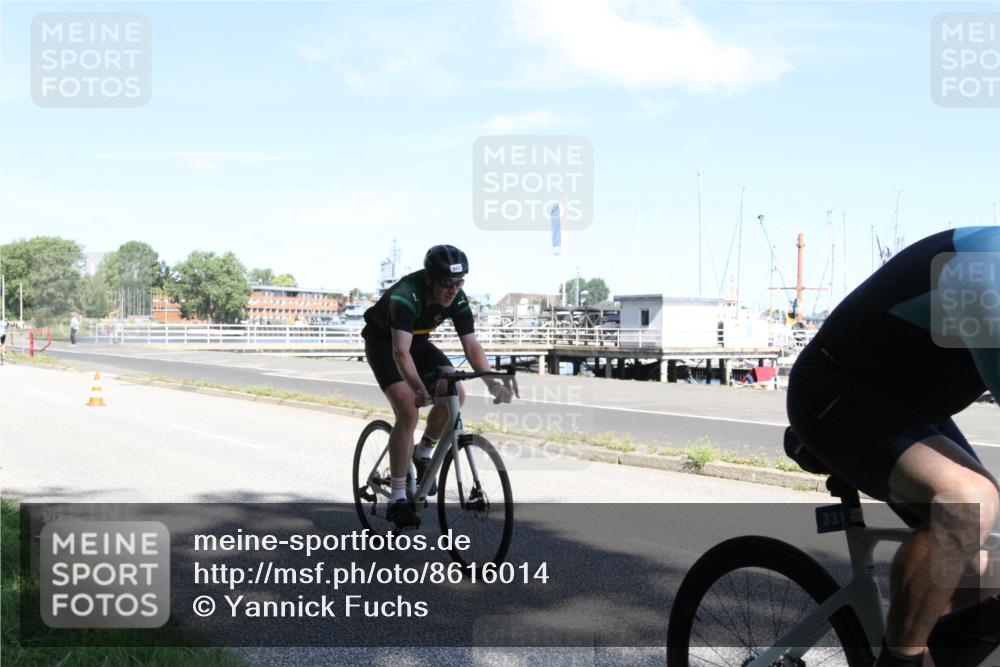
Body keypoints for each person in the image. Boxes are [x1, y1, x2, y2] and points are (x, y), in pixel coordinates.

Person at [787, 226, 1000, 665]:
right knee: (967, 503)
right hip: (832, 391)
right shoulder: (985, 272)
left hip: (910, 409)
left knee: (985, 576)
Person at [362, 245, 514, 530]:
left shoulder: (457, 298)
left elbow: (471, 345)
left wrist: (492, 383)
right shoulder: (407, 295)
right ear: (430, 279)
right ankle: (397, 498)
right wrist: (418, 388)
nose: (453, 290)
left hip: (416, 343)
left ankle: (423, 453)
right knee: (408, 408)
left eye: (459, 283)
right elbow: (400, 354)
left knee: (455, 392)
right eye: (447, 284)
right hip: (386, 345)